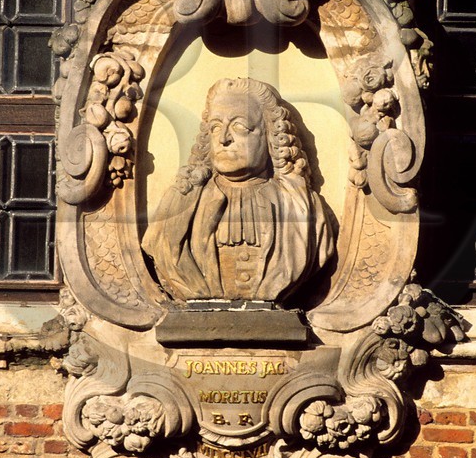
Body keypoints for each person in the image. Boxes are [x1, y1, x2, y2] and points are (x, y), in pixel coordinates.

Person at [142, 77, 334, 304]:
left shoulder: (304, 207)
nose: (223, 139)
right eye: (215, 127)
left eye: (239, 126)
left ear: (271, 135)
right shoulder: (178, 206)